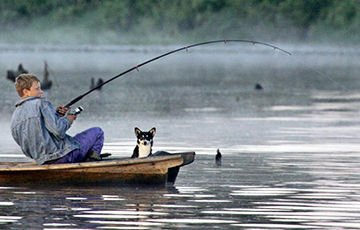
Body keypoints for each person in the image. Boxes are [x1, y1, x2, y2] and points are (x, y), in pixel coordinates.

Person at [10, 74, 105, 165]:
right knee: (98, 132)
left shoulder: (15, 116)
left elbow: (35, 133)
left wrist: (56, 115)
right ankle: (90, 163)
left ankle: (87, 157)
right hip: (65, 156)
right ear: (26, 91)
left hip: (42, 160)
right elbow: (59, 130)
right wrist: (68, 119)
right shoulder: (42, 104)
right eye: (37, 88)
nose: (41, 91)